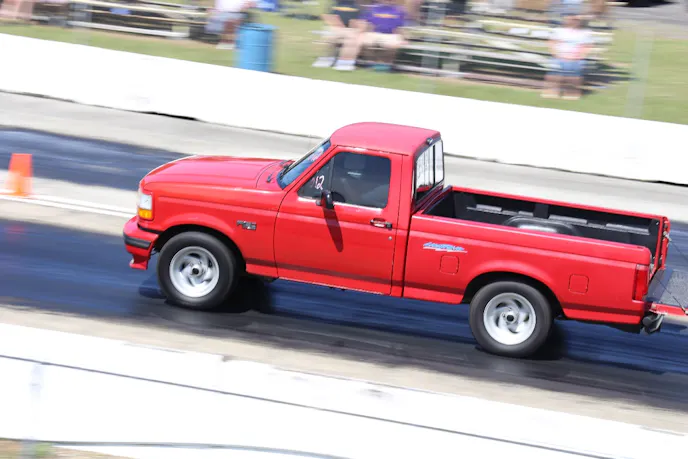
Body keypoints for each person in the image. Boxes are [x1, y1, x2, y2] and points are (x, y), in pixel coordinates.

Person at [542, 14, 593, 100]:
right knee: (554, 75)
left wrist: (580, 56)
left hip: (576, 58)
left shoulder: (585, 33)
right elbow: (551, 42)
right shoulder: (560, 31)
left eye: (576, 20)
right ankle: (551, 92)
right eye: (572, 19)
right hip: (559, 57)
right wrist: (556, 54)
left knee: (574, 76)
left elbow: (587, 46)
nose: (574, 21)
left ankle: (571, 93)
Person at [312, 0, 366, 71]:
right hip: (337, 28)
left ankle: (345, 63)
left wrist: (351, 29)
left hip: (352, 29)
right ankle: (326, 59)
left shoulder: (358, 5)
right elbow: (329, 17)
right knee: (331, 35)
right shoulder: (336, 4)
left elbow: (358, 21)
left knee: (352, 38)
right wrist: (338, 26)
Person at [359, 0, 408, 72]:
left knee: (393, 45)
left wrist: (403, 38)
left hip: (391, 35)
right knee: (365, 42)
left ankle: (384, 65)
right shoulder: (372, 9)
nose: (387, 1)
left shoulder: (399, 11)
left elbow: (400, 27)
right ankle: (371, 63)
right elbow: (367, 24)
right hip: (374, 33)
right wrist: (363, 33)